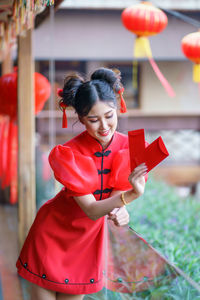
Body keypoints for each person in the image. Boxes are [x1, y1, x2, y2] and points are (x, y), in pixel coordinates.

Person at [16, 68, 147, 300]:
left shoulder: (131, 146)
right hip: (52, 234)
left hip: (87, 243)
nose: (104, 126)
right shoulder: (69, 153)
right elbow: (92, 209)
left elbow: (116, 196)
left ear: (117, 108)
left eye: (109, 115)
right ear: (80, 118)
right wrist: (132, 196)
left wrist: (122, 209)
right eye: (93, 120)